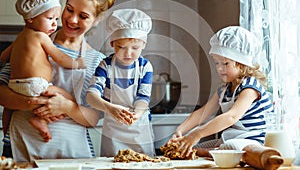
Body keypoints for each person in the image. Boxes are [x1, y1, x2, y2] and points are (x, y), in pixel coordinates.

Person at [0, 0, 115, 162]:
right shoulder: (32, 39)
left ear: (96, 21)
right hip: (22, 145)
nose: (72, 19)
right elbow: (1, 92)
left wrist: (66, 106)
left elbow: (93, 118)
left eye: (83, 16)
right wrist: (32, 103)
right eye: (69, 9)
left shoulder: (97, 61)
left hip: (70, 152)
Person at [168, 26, 273, 158]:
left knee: (232, 147)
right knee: (196, 146)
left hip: (254, 140)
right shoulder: (225, 89)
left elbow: (231, 117)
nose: (219, 68)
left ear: (242, 62)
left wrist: (198, 133)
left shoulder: (250, 87)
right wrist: (180, 131)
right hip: (231, 138)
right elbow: (203, 113)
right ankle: (206, 151)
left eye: (225, 63)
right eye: (216, 63)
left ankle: (212, 152)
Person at [0, 0, 86, 143]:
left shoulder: (19, 38)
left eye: (55, 19)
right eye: (50, 18)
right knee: (65, 97)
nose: (54, 24)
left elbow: (3, 56)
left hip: (14, 85)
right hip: (36, 85)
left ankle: (6, 131)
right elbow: (59, 57)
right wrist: (76, 63)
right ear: (30, 18)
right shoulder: (41, 36)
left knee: (8, 110)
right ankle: (41, 120)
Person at [86, 8, 155, 157]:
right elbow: (91, 96)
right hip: (113, 131)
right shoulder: (106, 65)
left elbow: (143, 98)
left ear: (144, 44)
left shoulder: (145, 67)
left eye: (135, 48)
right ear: (112, 43)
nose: (128, 53)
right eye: (121, 47)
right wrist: (110, 108)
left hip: (139, 127)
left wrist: (135, 115)